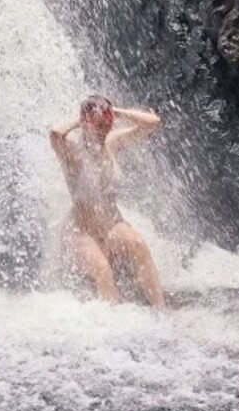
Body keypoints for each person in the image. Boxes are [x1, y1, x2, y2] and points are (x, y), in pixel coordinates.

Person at [49, 95, 167, 308]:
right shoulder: (72, 152)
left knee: (139, 246)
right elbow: (56, 133)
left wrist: (117, 111)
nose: (105, 129)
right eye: (99, 125)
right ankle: (113, 322)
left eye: (108, 123)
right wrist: (81, 119)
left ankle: (162, 310)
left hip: (113, 223)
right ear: (86, 124)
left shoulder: (112, 143)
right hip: (82, 230)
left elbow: (153, 122)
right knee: (103, 269)